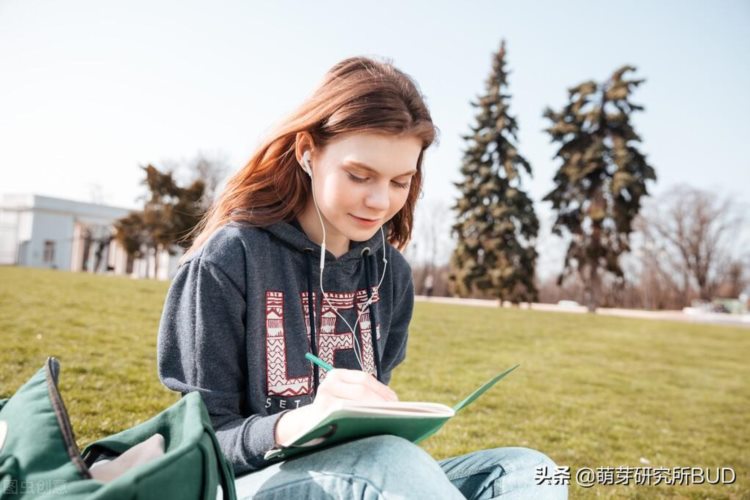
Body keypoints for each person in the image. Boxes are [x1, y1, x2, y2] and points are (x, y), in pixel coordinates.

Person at [157, 56, 566, 499]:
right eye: (359, 175)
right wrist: (298, 423)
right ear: (307, 152)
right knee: (386, 464)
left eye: (399, 182)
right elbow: (202, 444)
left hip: (356, 476)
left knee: (530, 471)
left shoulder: (391, 276)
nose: (379, 201)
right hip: (240, 486)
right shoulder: (227, 260)